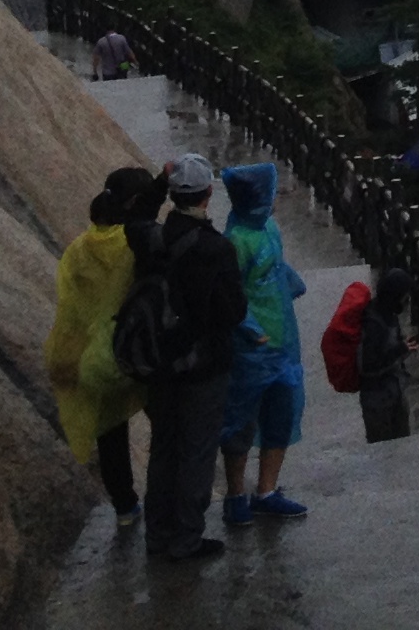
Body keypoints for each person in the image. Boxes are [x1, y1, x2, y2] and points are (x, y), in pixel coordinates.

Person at [140, 152, 248, 563]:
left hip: (160, 365)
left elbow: (133, 219)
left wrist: (157, 183)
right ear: (208, 194)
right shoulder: (215, 248)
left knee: (164, 449)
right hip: (203, 367)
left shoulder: (152, 239)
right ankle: (186, 538)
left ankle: (157, 536)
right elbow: (233, 311)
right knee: (197, 452)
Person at [45, 166, 158, 529]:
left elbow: (72, 304)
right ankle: (164, 499)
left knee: (111, 432)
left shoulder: (80, 248)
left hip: (98, 356)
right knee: (166, 423)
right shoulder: (135, 243)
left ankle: (125, 507)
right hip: (139, 350)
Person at [217, 162, 311, 525]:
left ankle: (267, 491)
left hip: (283, 343)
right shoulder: (236, 240)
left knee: (281, 415)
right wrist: (251, 329)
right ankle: (236, 494)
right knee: (241, 421)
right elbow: (230, 292)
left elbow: (276, 268)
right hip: (251, 350)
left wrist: (292, 284)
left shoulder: (268, 228)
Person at [356, 264, 416, 443]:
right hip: (378, 401)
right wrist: (400, 349)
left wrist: (403, 347)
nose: (406, 300)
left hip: (394, 392)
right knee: (383, 449)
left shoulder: (388, 314)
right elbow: (368, 365)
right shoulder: (373, 324)